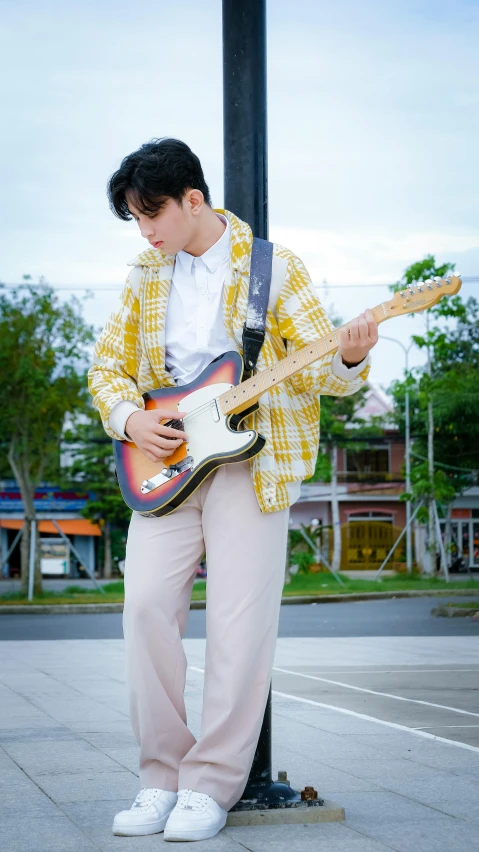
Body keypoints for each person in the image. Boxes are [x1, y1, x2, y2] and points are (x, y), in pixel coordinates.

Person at [88, 137, 378, 842]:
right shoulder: (143, 274)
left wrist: (347, 355)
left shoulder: (275, 270)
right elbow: (106, 368)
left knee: (238, 631)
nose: (145, 229)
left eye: (151, 212)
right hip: (169, 466)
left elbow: (316, 372)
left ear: (194, 199)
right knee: (145, 611)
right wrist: (131, 420)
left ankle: (209, 786)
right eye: (133, 217)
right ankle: (160, 776)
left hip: (255, 464)